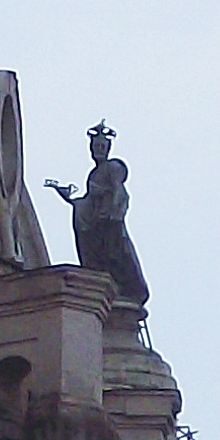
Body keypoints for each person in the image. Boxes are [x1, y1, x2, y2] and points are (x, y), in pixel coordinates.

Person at [44, 123, 148, 306]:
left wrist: (114, 209)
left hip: (108, 219)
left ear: (108, 149)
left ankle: (123, 288)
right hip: (96, 222)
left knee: (116, 253)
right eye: (95, 147)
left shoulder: (113, 167)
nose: (98, 150)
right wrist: (69, 198)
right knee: (99, 256)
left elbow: (118, 189)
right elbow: (88, 201)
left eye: (102, 147)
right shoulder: (93, 173)